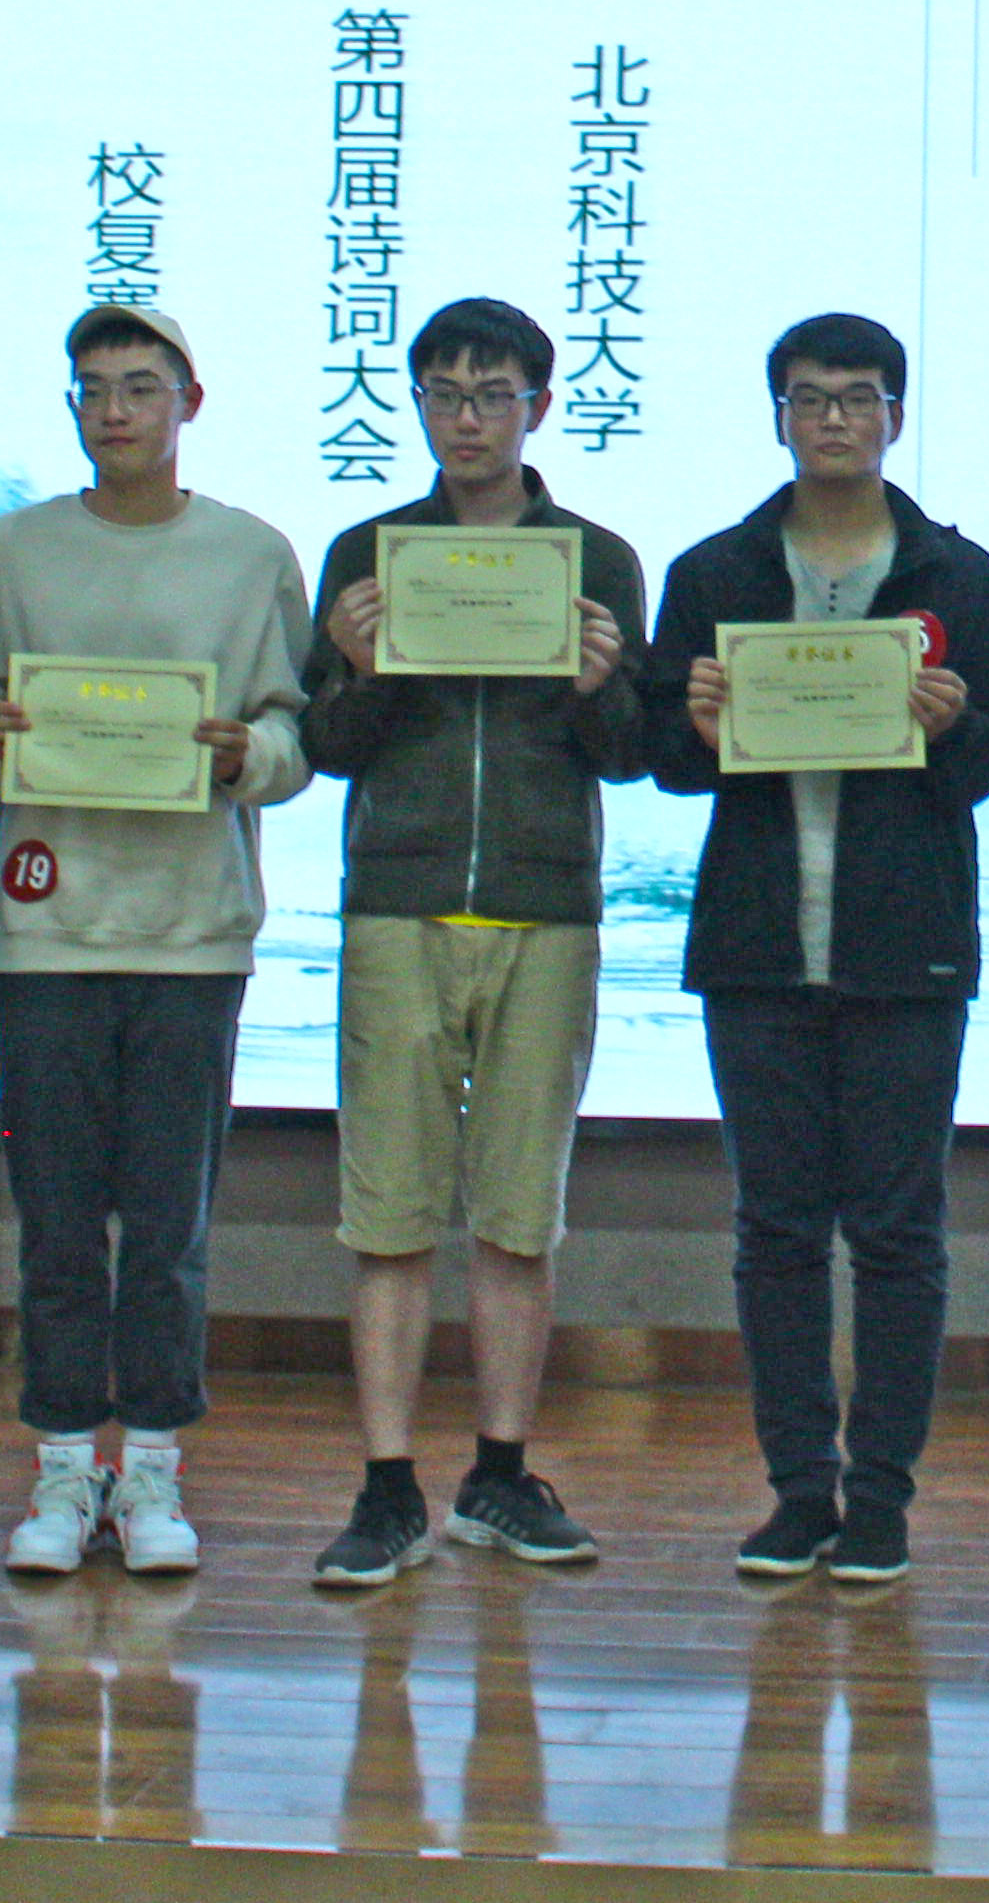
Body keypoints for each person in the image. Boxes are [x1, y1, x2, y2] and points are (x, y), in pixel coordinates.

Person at [639, 312, 989, 1586]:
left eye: (859, 398)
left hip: (906, 952)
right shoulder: (716, 572)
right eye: (810, 400)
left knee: (901, 1233)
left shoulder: (959, 577)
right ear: (780, 418)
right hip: (757, 951)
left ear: (895, 418)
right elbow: (662, 754)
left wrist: (956, 723)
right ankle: (800, 1491)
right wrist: (696, 726)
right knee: (775, 1232)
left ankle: (883, 1500)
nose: (835, 421)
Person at [296, 298, 650, 1587]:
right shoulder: (368, 551)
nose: (467, 419)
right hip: (398, 904)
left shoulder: (597, 559)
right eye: (444, 394)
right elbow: (329, 748)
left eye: (494, 394)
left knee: (517, 1216)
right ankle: (387, 1488)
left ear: (539, 407)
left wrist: (599, 687)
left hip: (546, 909)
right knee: (388, 1216)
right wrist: (360, 665)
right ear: (417, 405)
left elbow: (635, 754)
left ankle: (500, 1475)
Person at [0, 305, 311, 1579]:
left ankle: (152, 1463)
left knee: (167, 1229)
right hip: (46, 930)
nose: (115, 410)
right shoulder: (10, 549)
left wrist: (245, 753)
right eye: (93, 388)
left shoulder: (251, 554)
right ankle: (64, 1463)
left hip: (190, 934)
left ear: (188, 402)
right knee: (56, 1226)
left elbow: (293, 736)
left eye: (141, 387)